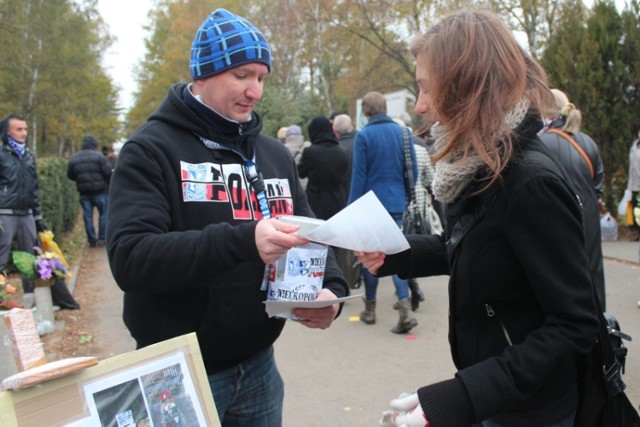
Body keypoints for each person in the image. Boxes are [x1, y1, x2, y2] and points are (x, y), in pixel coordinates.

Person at [105, 8, 348, 425]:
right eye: (241, 75)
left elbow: (310, 231)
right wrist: (242, 240)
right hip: (177, 371)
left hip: (259, 368)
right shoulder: (150, 149)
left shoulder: (272, 153)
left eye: (261, 78)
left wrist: (332, 290)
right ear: (202, 75)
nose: (254, 91)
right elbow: (131, 258)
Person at [357, 10, 598, 426]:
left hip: (532, 410)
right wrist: (394, 253)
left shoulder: (528, 181)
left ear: (468, 87)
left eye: (428, 89)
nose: (420, 106)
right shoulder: (476, 163)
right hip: (496, 394)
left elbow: (575, 324)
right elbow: (474, 248)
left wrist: (461, 397)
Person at [348, 91, 418, 334]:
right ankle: (405, 310)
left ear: (366, 112)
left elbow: (359, 176)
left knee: (371, 258)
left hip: (371, 206)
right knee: (395, 253)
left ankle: (370, 310)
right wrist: (407, 197)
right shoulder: (404, 133)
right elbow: (413, 171)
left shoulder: (364, 136)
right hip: (396, 202)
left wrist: (352, 210)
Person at [539, 89, 606, 309]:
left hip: (553, 227)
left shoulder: (538, 143)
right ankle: (601, 335)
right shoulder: (588, 143)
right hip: (589, 226)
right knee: (592, 282)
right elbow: (597, 186)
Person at [0, 114, 48, 309]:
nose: (24, 133)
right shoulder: (1, 153)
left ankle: (32, 299)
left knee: (30, 258)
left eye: (26, 129)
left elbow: (34, 187)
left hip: (26, 213)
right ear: (7, 131)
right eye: (19, 129)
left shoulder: (28, 155)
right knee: (1, 256)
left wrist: (38, 216)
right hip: (5, 212)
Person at [297, 116, 349, 220]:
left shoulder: (310, 152)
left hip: (316, 199)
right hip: (337, 199)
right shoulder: (342, 151)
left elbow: (300, 173)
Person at [67, 135, 113, 248]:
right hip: (100, 192)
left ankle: (91, 240)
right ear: (95, 145)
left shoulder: (74, 158)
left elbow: (70, 175)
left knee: (87, 216)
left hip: (84, 193)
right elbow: (108, 173)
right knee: (103, 215)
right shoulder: (100, 157)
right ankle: (102, 239)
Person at [332, 114, 357, 196]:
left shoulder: (335, 150)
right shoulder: (362, 144)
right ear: (352, 126)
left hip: (342, 197)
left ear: (335, 130)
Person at [627, 122, 640, 240]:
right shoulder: (634, 146)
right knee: (637, 210)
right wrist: (629, 188)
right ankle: (638, 232)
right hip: (635, 184)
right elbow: (631, 168)